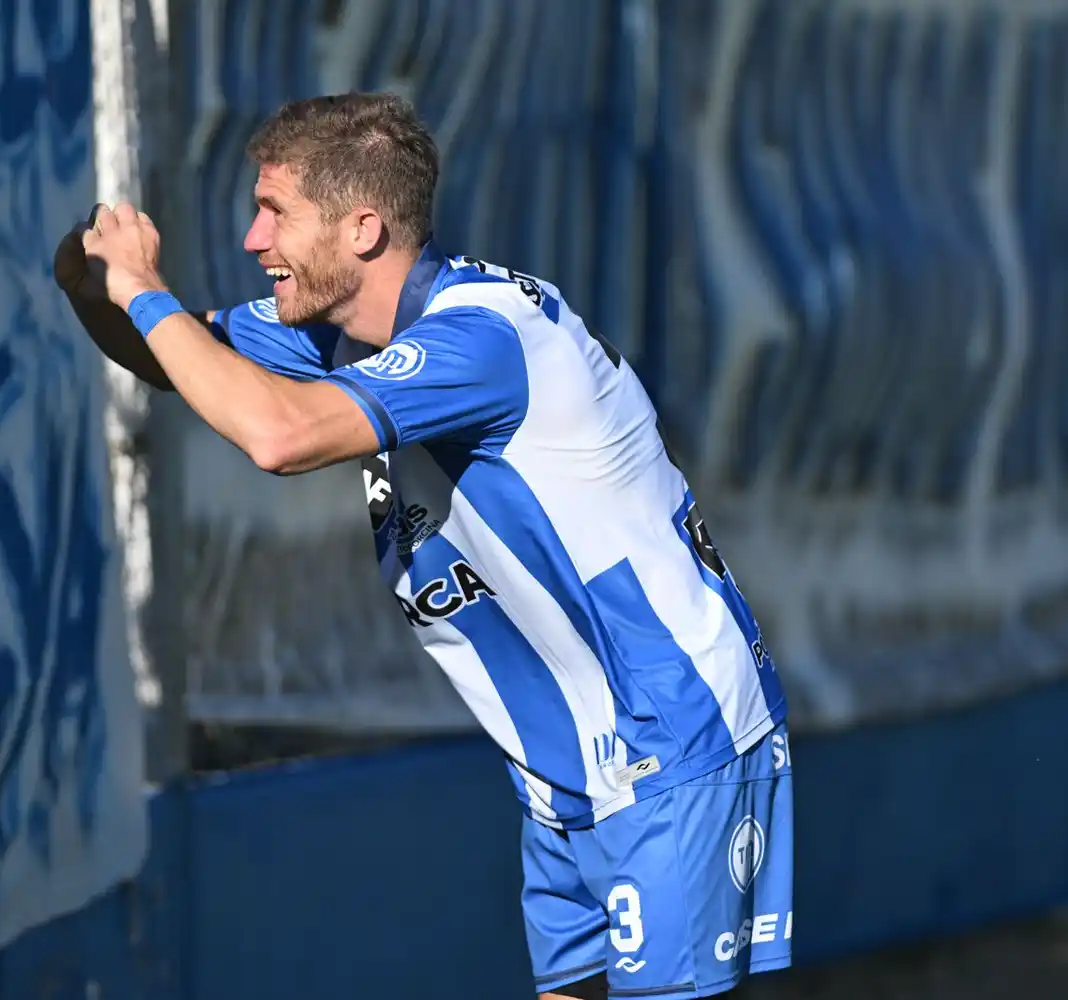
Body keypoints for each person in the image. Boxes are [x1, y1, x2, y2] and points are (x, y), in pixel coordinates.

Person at [55, 92, 793, 1000]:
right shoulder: (345, 332)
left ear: (362, 228)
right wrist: (87, 275)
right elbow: (173, 354)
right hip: (560, 759)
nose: (252, 240)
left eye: (275, 212)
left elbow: (276, 438)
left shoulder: (480, 339)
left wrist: (142, 288)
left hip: (670, 733)